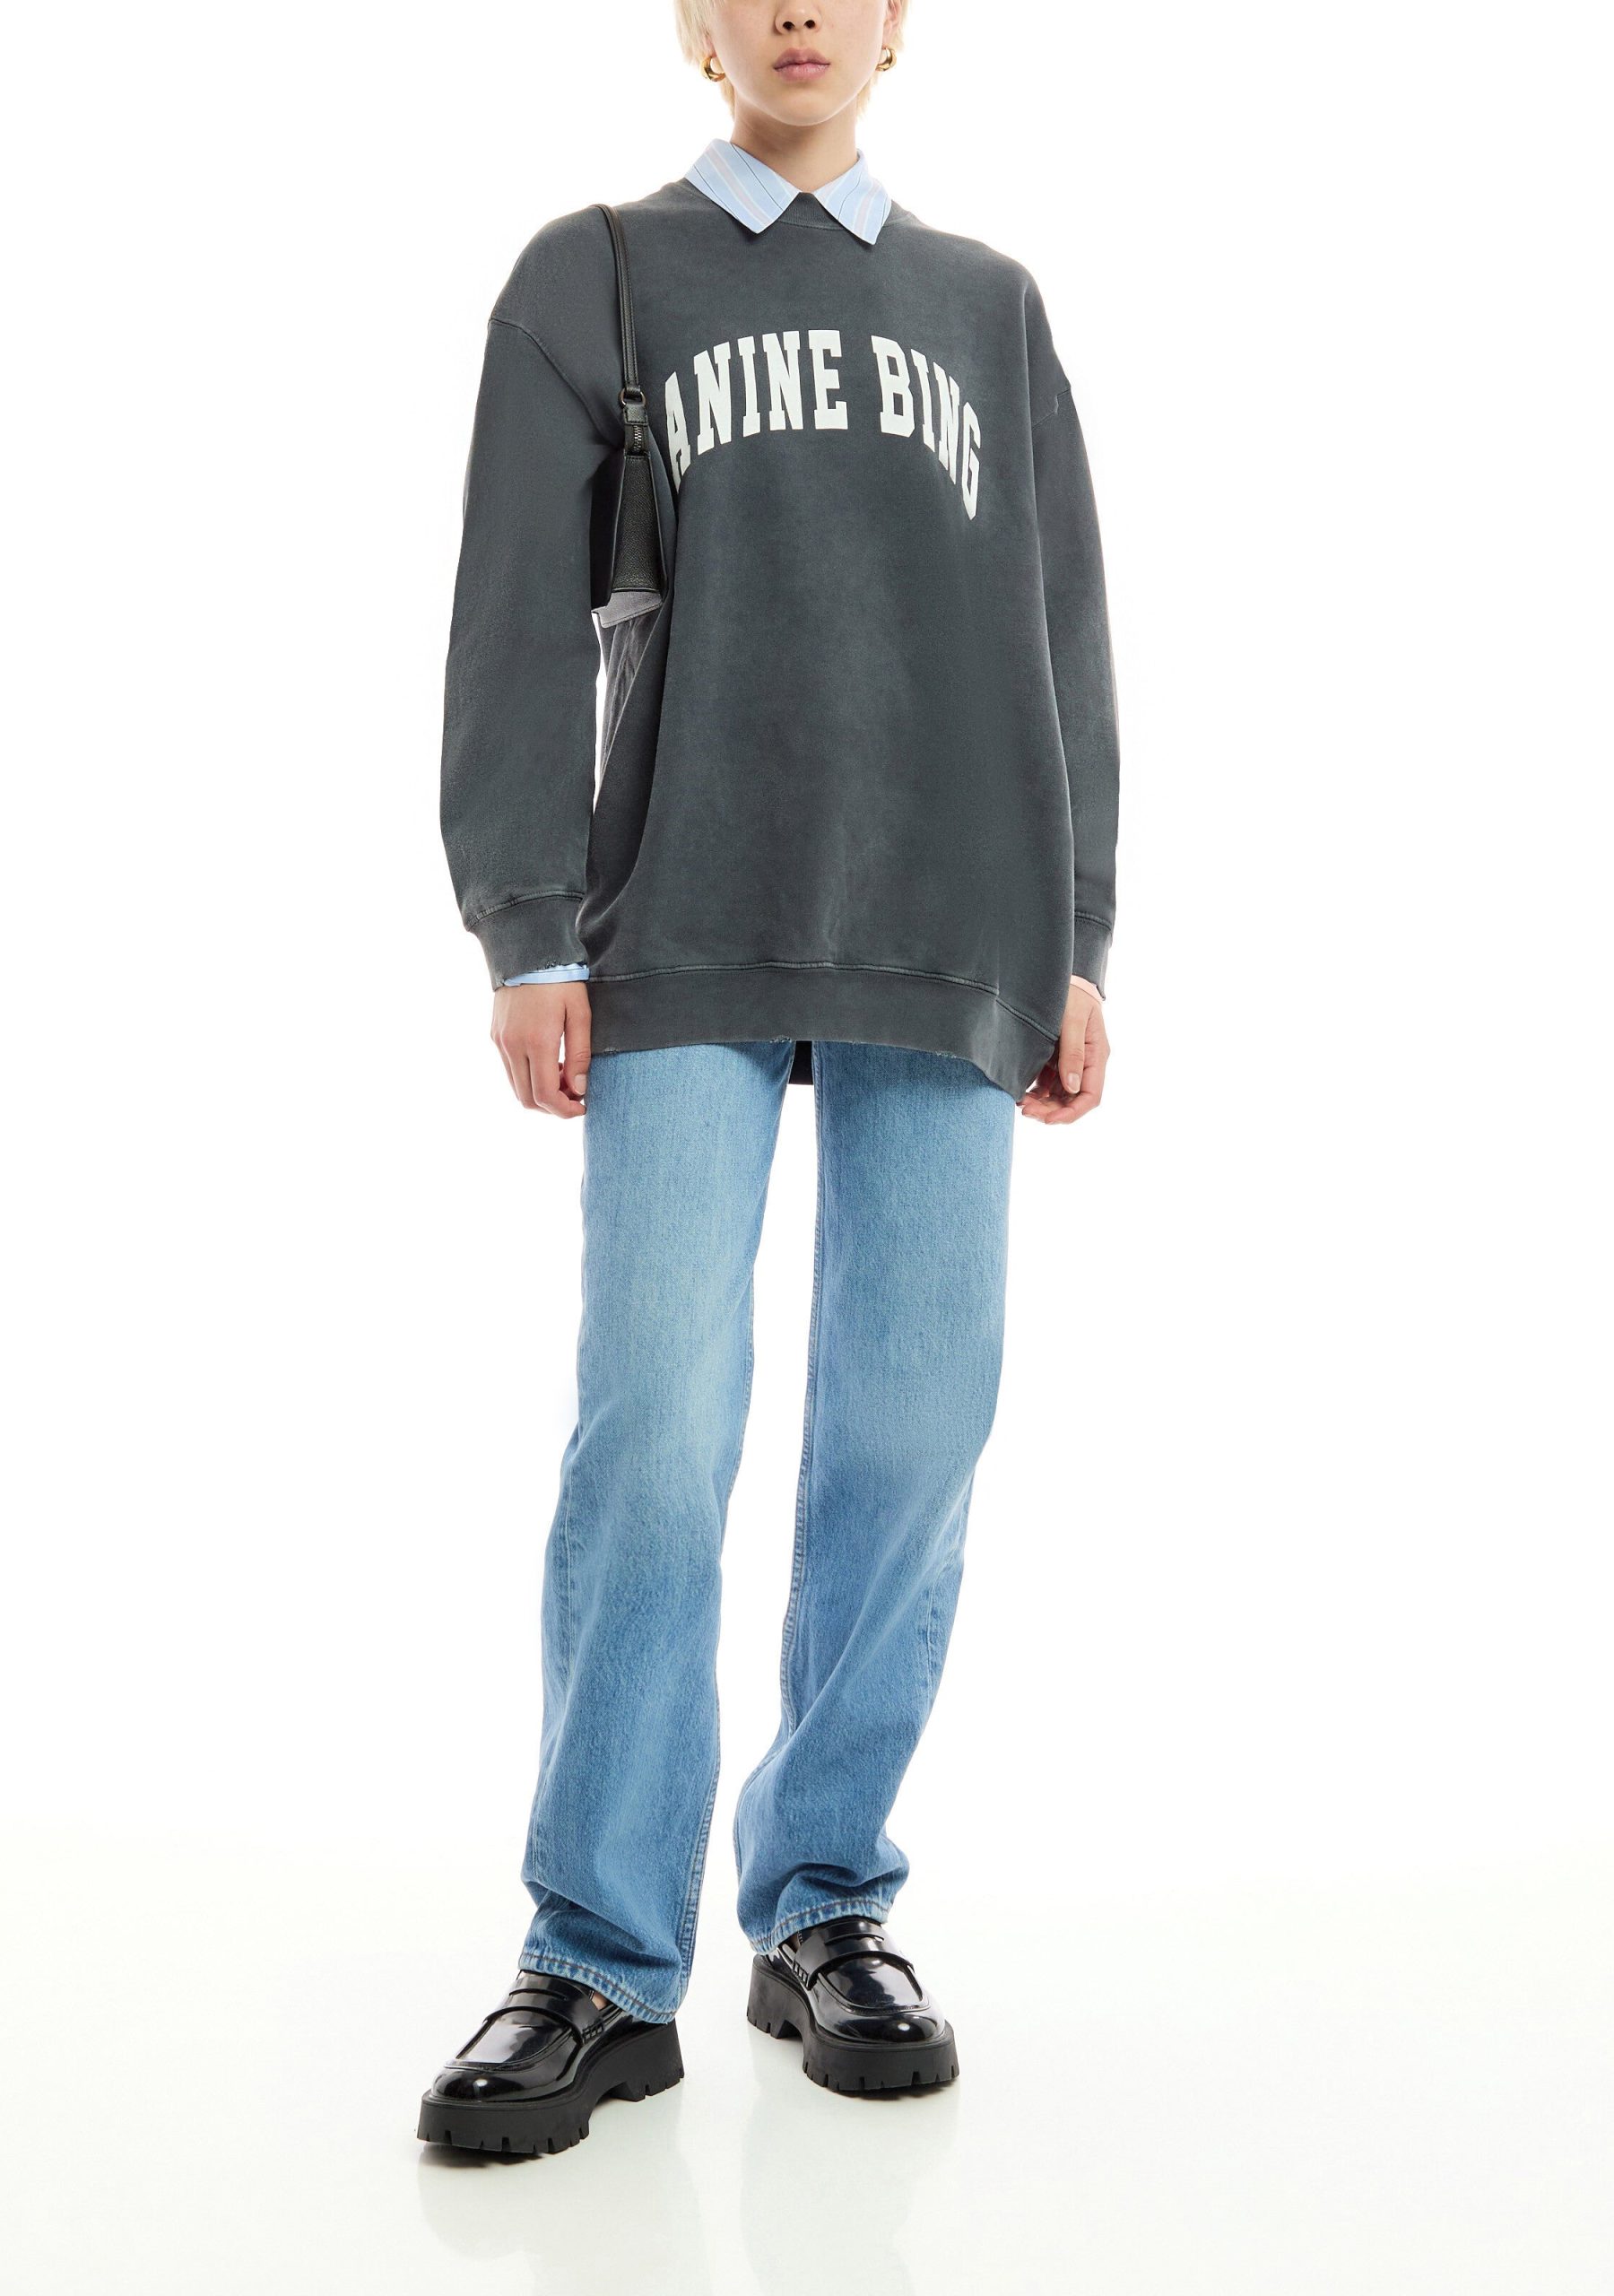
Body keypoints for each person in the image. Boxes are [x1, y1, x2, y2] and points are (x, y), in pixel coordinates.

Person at [419, 0, 1119, 2156]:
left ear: (899, 24)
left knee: (912, 1429)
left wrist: (1076, 936)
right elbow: (511, 618)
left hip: (949, 927)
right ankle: (595, 1952)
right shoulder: (599, 276)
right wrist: (526, 922)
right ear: (692, 21)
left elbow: (1059, 635)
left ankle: (824, 1896)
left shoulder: (990, 308)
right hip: (682, 922)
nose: (798, 6)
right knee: (657, 1431)